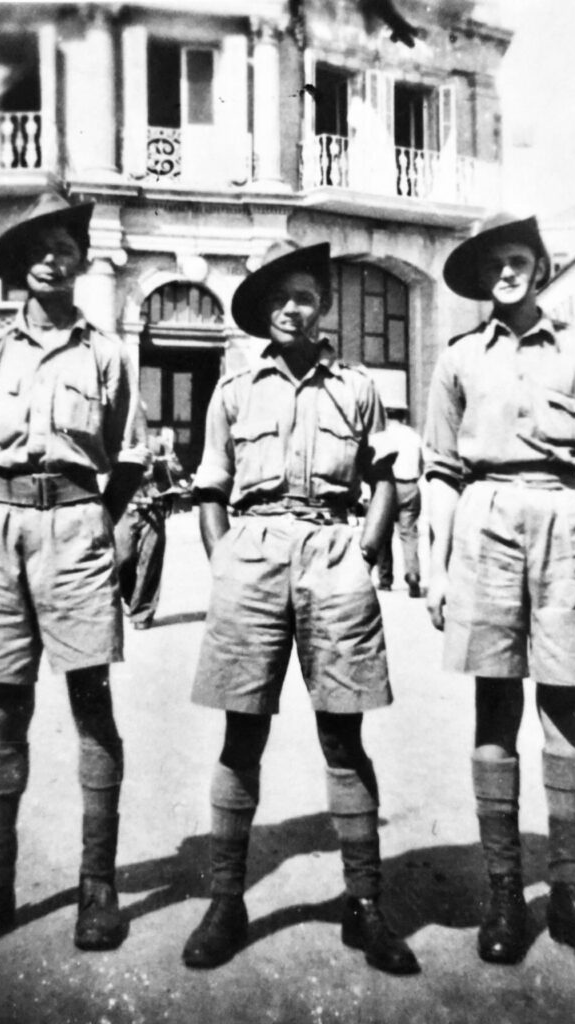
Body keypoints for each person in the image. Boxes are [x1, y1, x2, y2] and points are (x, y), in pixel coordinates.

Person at [182, 240, 419, 976]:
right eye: (280, 297)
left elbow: (385, 475)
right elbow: (210, 488)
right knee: (241, 733)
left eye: (307, 296)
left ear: (323, 307)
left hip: (332, 548)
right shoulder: (232, 391)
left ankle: (365, 904)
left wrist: (370, 548)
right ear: (262, 311)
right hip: (252, 553)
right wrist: (225, 560)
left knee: (342, 736)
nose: (294, 307)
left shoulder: (357, 385)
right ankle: (227, 900)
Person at [0, 191, 146, 956]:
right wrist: (6, 511)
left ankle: (99, 887)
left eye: (65, 244)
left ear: (83, 261)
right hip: (3, 530)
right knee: (5, 710)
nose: (53, 256)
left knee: (91, 704)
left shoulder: (108, 353)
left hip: (78, 527)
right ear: (19, 265)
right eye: (37, 246)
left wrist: (91, 522)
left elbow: (128, 458)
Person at [424, 213, 575, 973]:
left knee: (566, 704)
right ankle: (506, 893)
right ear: (481, 277)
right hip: (484, 523)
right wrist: (437, 560)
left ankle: (574, 896)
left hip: (566, 523)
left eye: (519, 259)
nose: (507, 272)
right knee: (494, 704)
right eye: (494, 264)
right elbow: (443, 469)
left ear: (540, 267)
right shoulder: (456, 360)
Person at [114, 422, 182, 630]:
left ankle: (142, 612)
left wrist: (168, 459)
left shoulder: (157, 445)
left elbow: (177, 471)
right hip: (124, 508)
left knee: (150, 561)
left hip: (153, 508)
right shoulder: (114, 442)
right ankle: (131, 597)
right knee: (122, 559)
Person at [375, 405, 424, 596]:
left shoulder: (382, 435)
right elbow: (421, 464)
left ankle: (385, 579)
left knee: (384, 534)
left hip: (387, 487)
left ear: (387, 415)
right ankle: (412, 574)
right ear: (403, 417)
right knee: (409, 534)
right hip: (410, 486)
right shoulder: (413, 436)